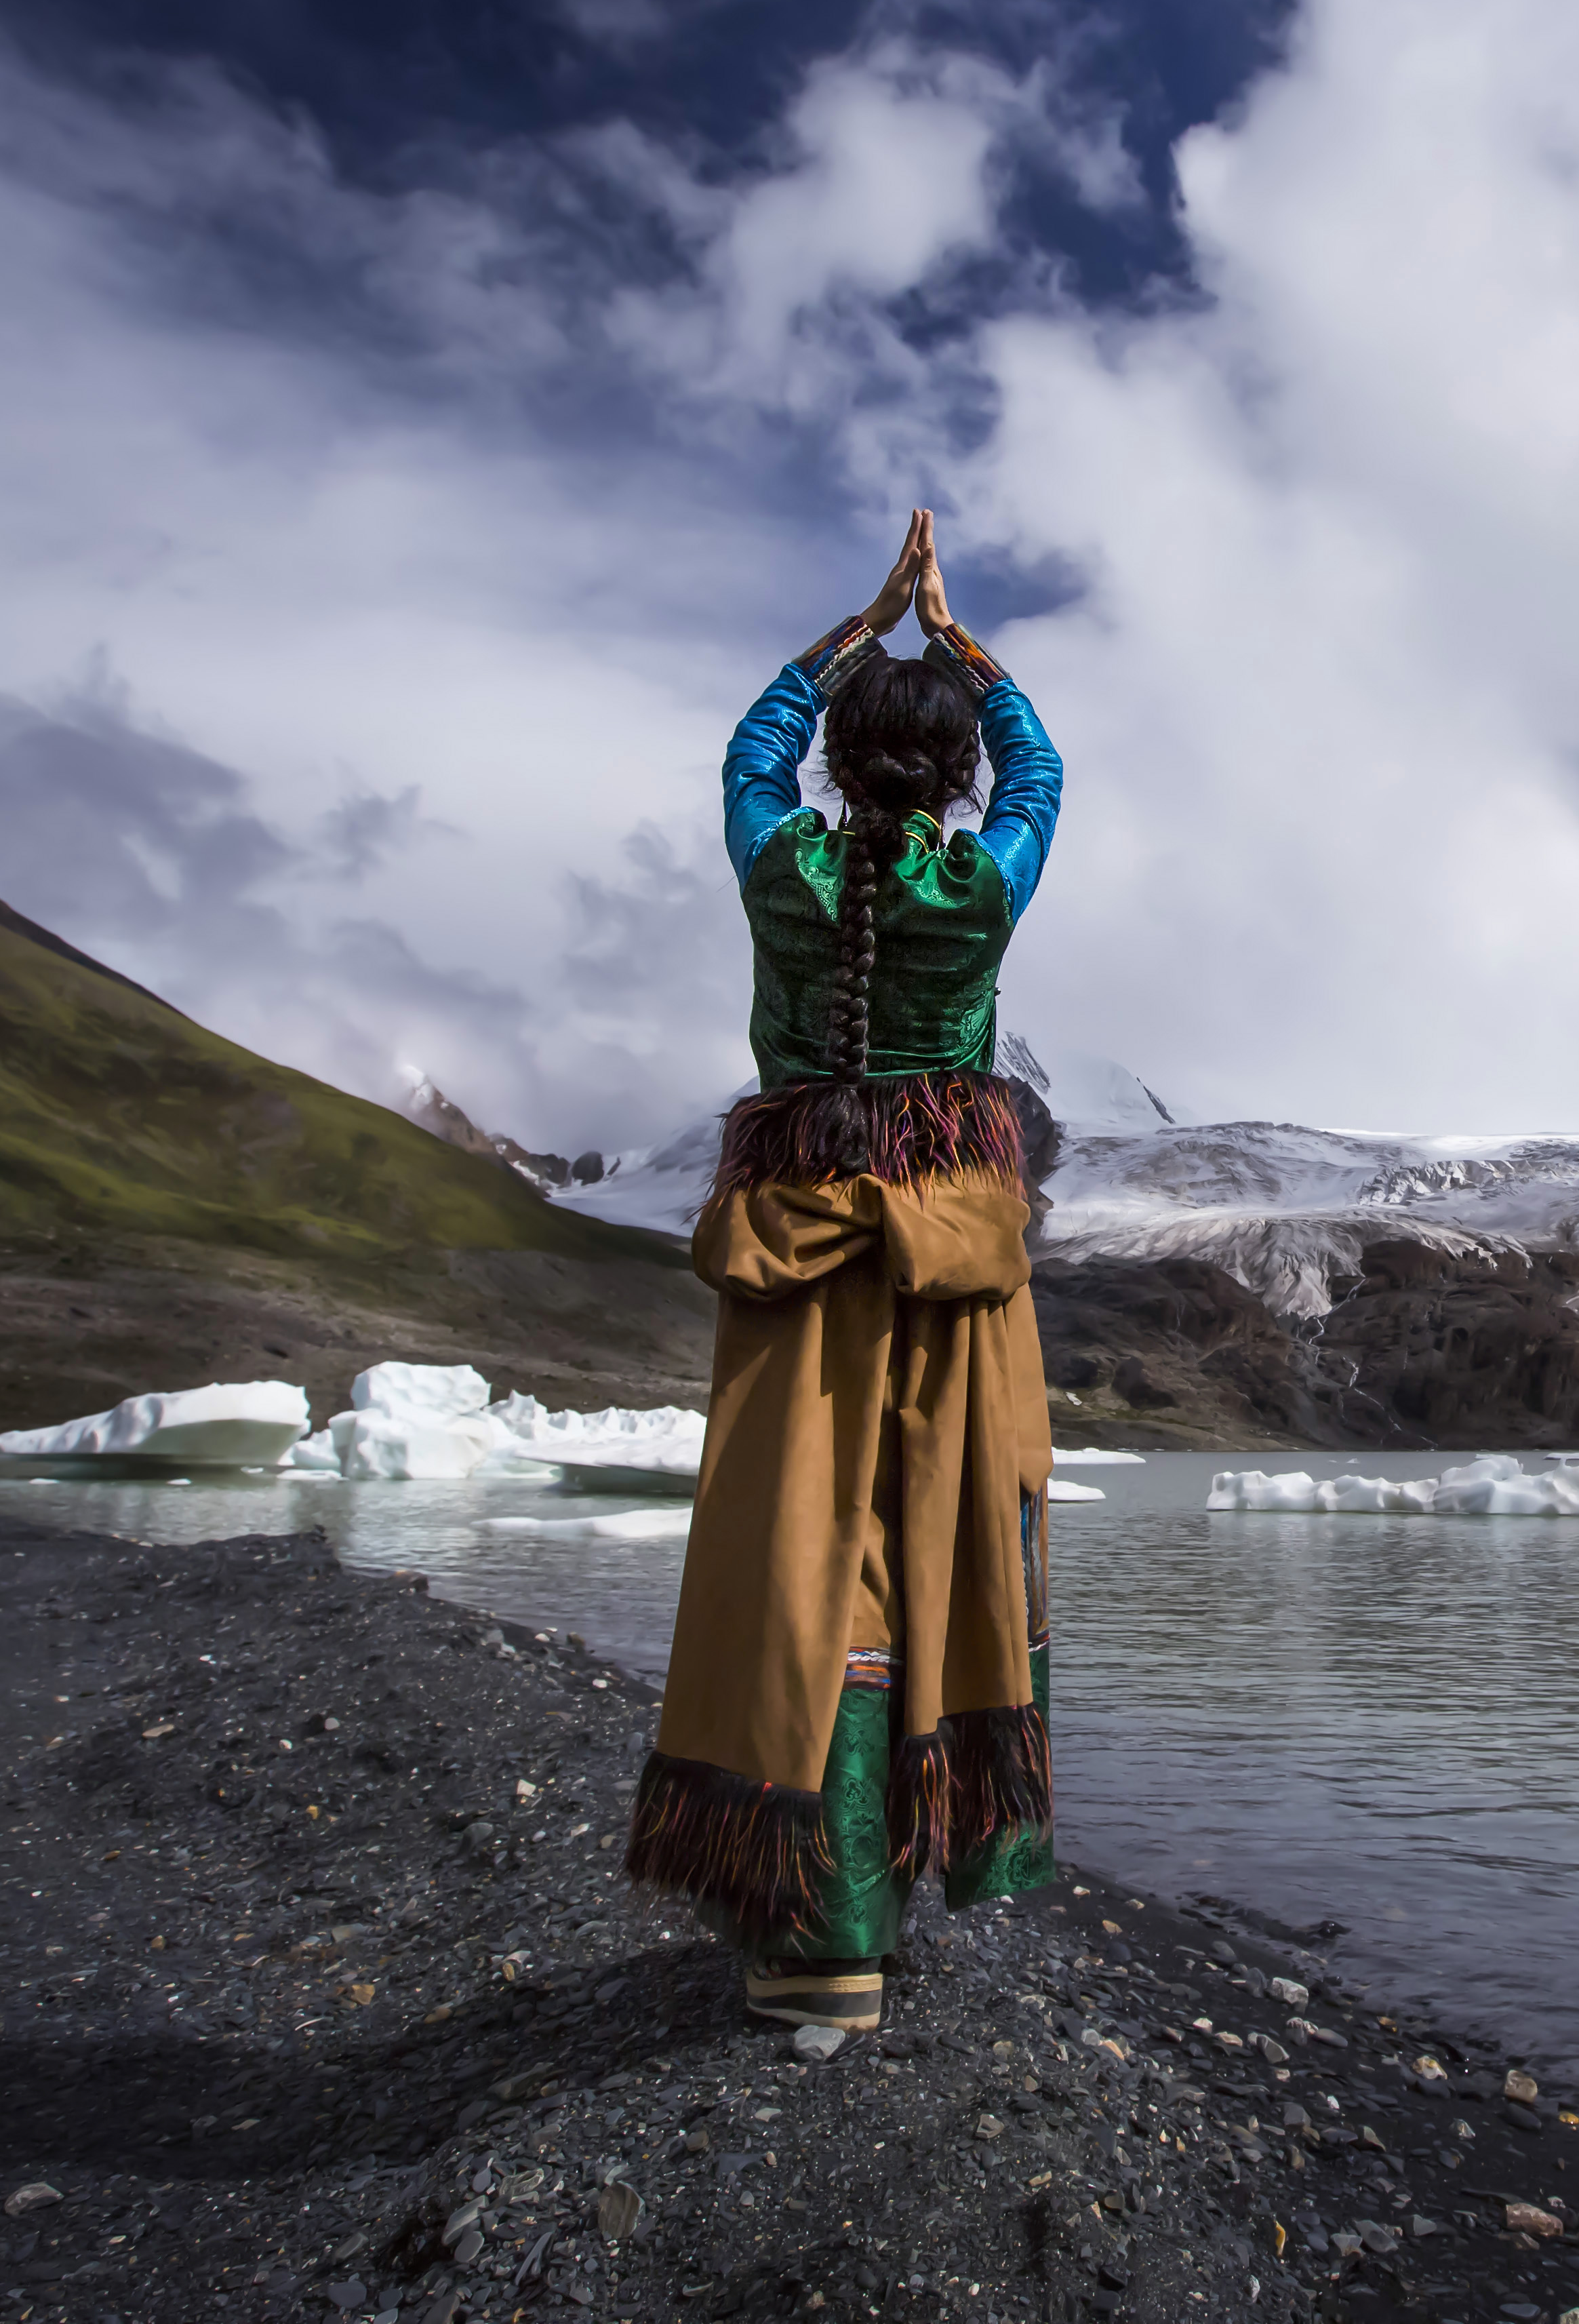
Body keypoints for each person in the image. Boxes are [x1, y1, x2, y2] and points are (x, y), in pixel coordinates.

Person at [624, 509, 1066, 2034]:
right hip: (954, 1271)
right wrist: (952, 640)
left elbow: (753, 757)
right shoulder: (983, 891)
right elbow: (1045, 773)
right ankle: (895, 1886)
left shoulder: (780, 871)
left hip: (798, 1265)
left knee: (808, 1572)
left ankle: (817, 1938)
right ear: (954, 778)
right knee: (935, 1556)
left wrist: (849, 633)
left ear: (838, 764)